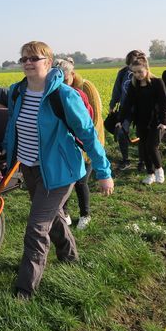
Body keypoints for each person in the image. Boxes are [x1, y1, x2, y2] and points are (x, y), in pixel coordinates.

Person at [4, 41, 113, 299]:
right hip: (30, 168)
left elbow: (88, 134)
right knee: (51, 217)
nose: (28, 62)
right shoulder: (17, 92)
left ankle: (25, 288)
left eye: (35, 58)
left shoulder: (63, 95)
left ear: (48, 62)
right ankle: (70, 256)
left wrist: (104, 172)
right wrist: (8, 156)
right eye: (24, 59)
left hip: (61, 172)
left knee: (36, 227)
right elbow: (13, 126)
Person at [53, 58, 105, 230]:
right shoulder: (54, 91)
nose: (62, 83)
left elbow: (94, 121)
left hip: (87, 144)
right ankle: (65, 213)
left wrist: (87, 146)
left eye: (65, 79)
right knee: (65, 181)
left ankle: (85, 214)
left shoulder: (84, 89)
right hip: (69, 146)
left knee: (81, 182)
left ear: (72, 75)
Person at [116, 56, 166, 185]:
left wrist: (164, 122)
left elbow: (164, 103)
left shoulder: (157, 82)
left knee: (152, 146)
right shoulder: (134, 85)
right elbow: (127, 104)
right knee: (144, 148)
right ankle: (150, 174)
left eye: (140, 71)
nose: (137, 75)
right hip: (141, 121)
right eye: (134, 72)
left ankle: (159, 169)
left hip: (156, 121)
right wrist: (120, 120)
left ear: (146, 68)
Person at [109, 50, 145, 171]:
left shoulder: (144, 74)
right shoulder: (123, 73)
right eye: (131, 63)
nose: (133, 65)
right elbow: (117, 90)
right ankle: (126, 160)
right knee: (121, 131)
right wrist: (112, 104)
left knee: (143, 133)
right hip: (126, 109)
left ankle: (142, 161)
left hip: (142, 108)